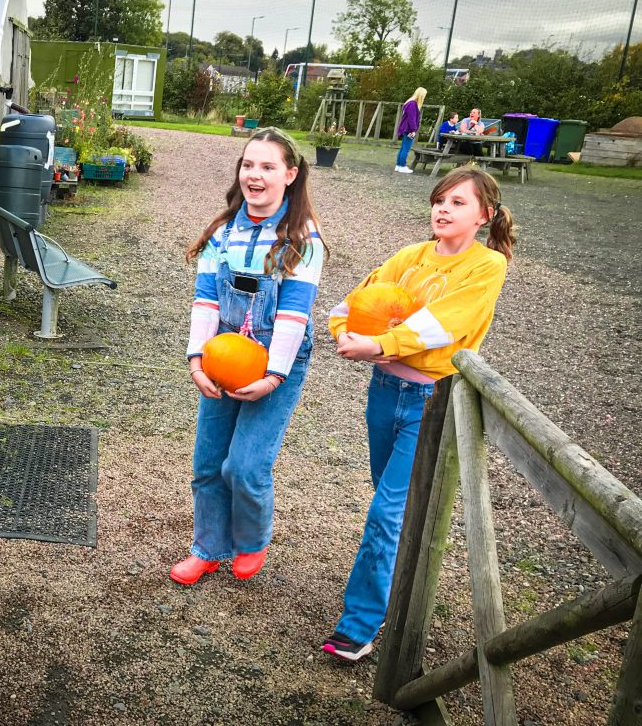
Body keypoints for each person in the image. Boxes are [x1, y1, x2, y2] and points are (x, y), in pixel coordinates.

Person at [322, 166, 515, 661]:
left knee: (387, 512)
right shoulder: (410, 256)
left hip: (431, 403)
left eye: (458, 203)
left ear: (484, 215)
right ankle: (400, 586)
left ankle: (360, 624)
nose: (443, 209)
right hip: (384, 393)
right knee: (396, 509)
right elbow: (355, 301)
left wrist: (381, 342)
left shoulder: (486, 266)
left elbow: (444, 325)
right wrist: (343, 332)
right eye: (439, 200)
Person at [171, 128, 326, 585]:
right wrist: (197, 360)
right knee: (207, 463)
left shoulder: (301, 239)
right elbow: (206, 301)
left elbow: (294, 315)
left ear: (290, 175)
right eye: (248, 165)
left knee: (245, 466)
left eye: (267, 167)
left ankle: (253, 538)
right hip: (224, 354)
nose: (254, 176)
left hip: (278, 359)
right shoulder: (222, 232)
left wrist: (274, 375)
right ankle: (208, 547)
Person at [394, 87, 426, 174]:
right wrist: (413, 130)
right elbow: (411, 119)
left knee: (403, 148)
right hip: (409, 129)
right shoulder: (413, 104)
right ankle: (402, 166)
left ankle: (398, 165)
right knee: (406, 148)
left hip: (406, 128)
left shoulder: (409, 103)